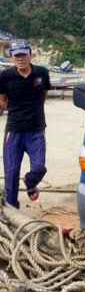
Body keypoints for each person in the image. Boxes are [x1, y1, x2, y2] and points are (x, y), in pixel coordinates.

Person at [0, 39, 51, 208]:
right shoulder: (5, 76)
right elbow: (2, 100)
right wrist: (17, 111)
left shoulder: (41, 73)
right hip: (14, 131)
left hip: (36, 130)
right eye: (17, 56)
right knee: (11, 174)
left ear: (30, 54)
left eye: (23, 54)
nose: (20, 59)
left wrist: (33, 111)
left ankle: (30, 182)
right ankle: (12, 210)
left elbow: (43, 95)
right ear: (11, 57)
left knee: (39, 167)